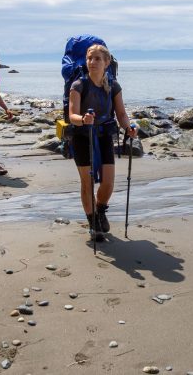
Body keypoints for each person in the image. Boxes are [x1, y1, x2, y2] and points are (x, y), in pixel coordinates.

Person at [68, 43, 137, 240]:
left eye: (97, 58)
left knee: (108, 182)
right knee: (87, 182)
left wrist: (129, 128)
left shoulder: (113, 86)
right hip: (82, 137)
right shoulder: (78, 85)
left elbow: (121, 114)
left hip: (104, 135)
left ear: (107, 62)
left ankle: (100, 210)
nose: (92, 62)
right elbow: (71, 114)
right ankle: (92, 224)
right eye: (90, 58)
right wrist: (82, 120)